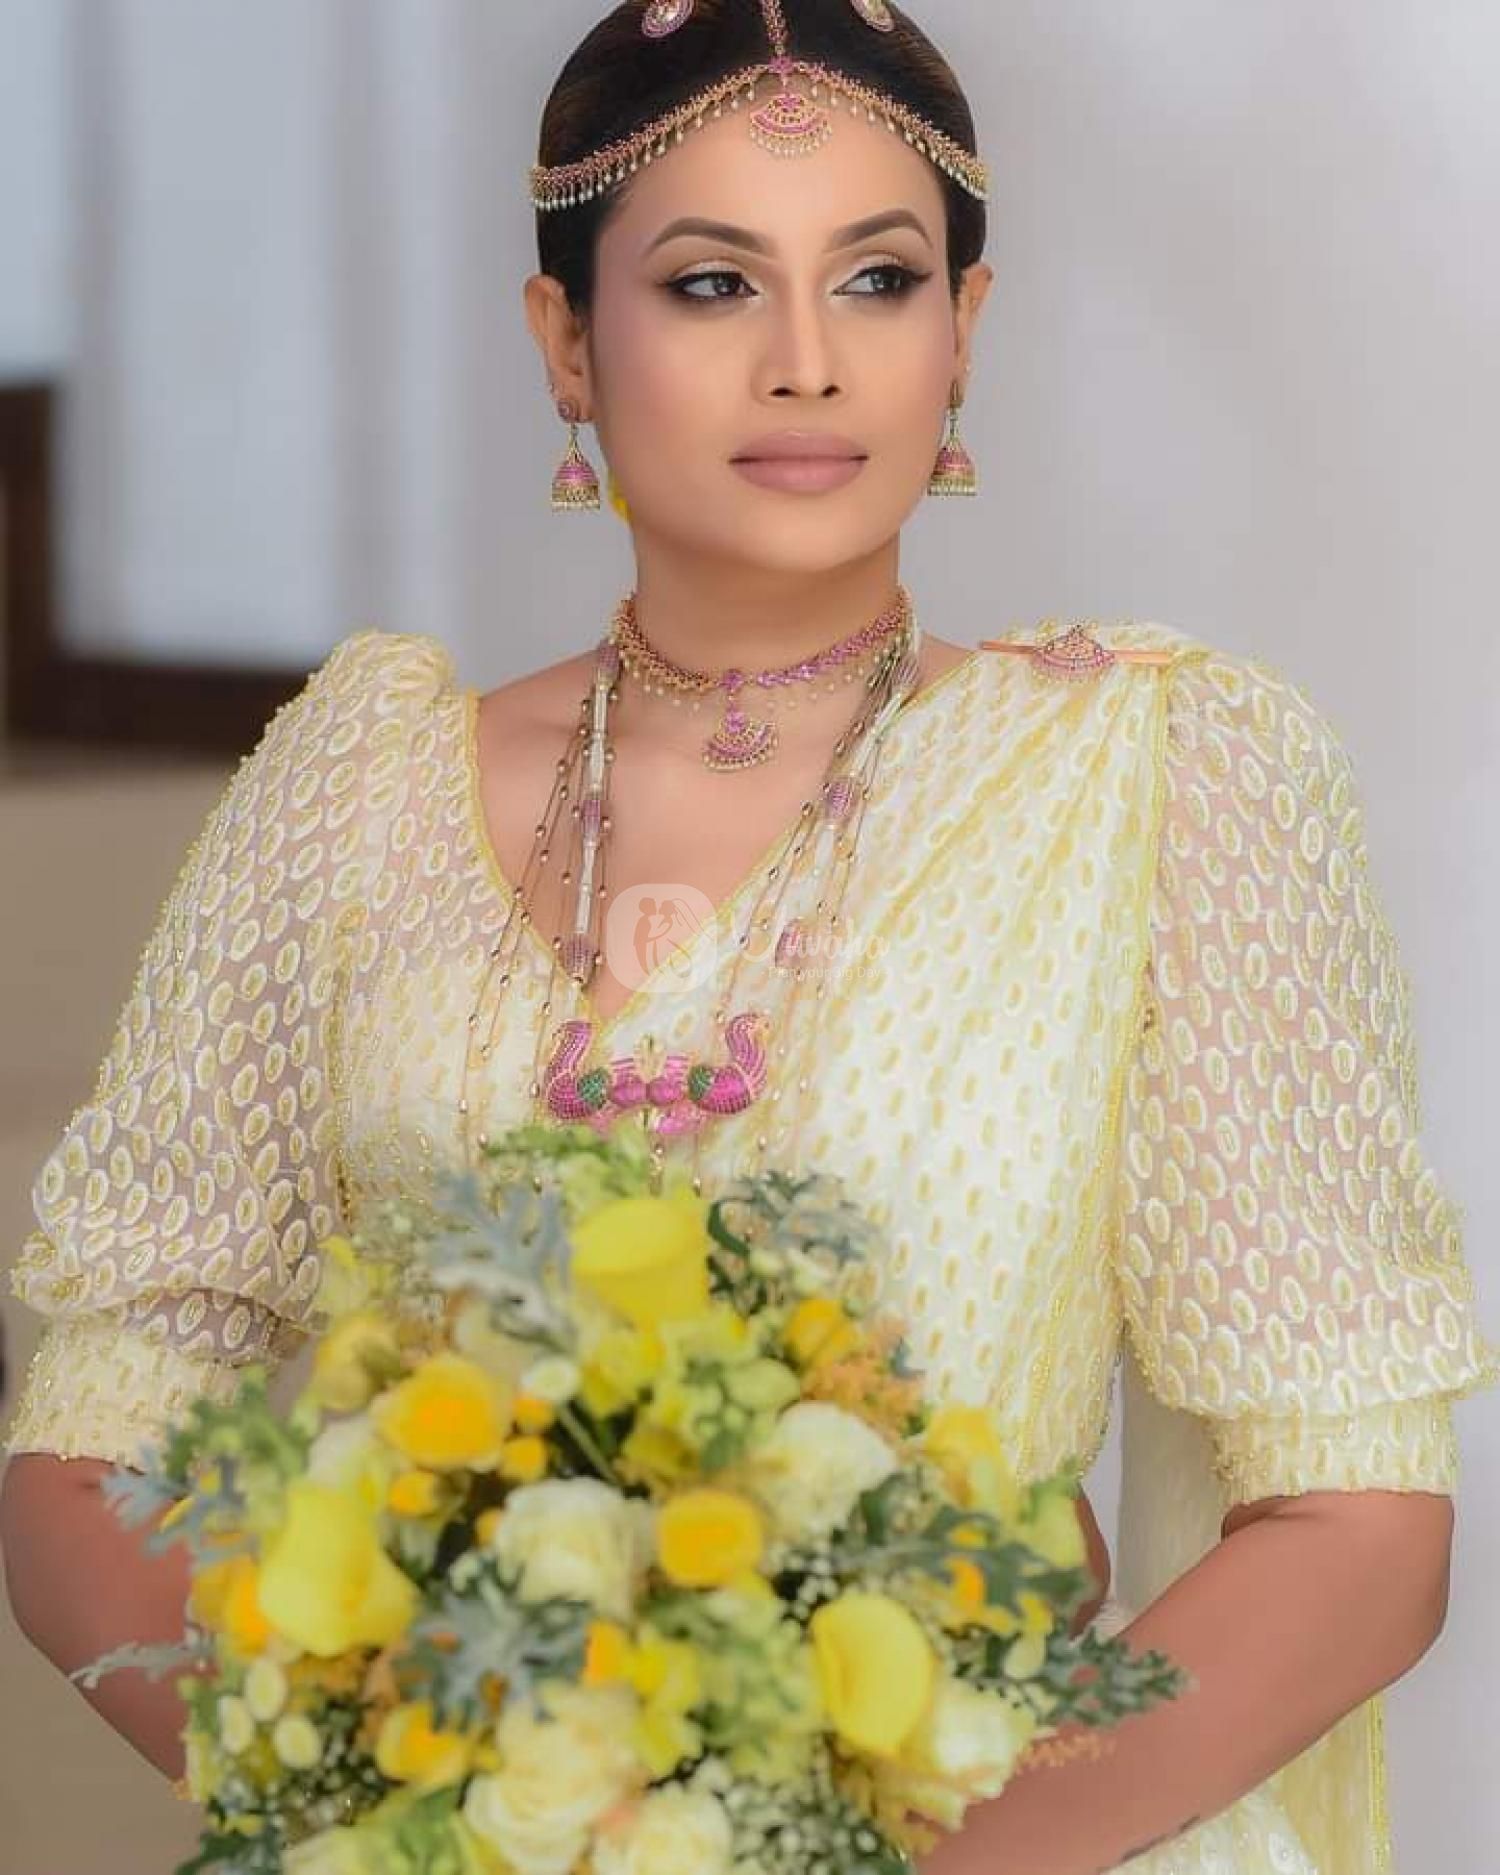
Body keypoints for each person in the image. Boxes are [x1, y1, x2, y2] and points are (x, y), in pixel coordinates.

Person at [2, 4, 1496, 1871]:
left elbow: (1356, 1519)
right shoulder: (355, 791)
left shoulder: (1151, 785)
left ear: (966, 329)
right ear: (565, 339)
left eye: (879, 279)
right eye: (713, 284)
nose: (808, 363)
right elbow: (101, 1425)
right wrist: (390, 1806)